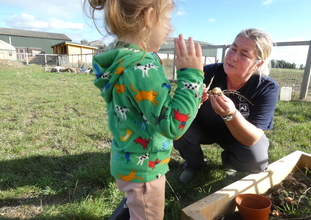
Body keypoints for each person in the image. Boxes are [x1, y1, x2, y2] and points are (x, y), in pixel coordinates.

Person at [84, 0, 205, 219]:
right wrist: (191, 78)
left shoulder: (122, 59)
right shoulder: (141, 66)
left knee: (136, 207)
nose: (171, 27)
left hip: (127, 160)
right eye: (168, 19)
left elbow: (150, 109)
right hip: (146, 171)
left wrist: (192, 99)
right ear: (149, 16)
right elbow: (172, 125)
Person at [174, 28, 280, 184]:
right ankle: (193, 165)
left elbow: (253, 137)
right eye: (233, 49)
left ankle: (230, 162)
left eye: (244, 54)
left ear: (258, 64)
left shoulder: (266, 87)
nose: (233, 57)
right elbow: (178, 108)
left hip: (237, 136)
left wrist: (231, 114)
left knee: (256, 159)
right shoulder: (207, 73)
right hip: (203, 128)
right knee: (180, 126)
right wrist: (194, 100)